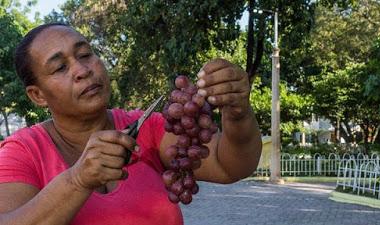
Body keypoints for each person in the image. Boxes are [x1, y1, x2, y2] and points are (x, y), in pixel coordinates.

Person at [0, 23, 262, 225]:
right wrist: (78, 181)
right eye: (59, 68)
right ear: (38, 95)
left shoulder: (146, 127)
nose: (82, 70)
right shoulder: (22, 151)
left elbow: (229, 167)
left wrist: (238, 113)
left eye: (85, 54)